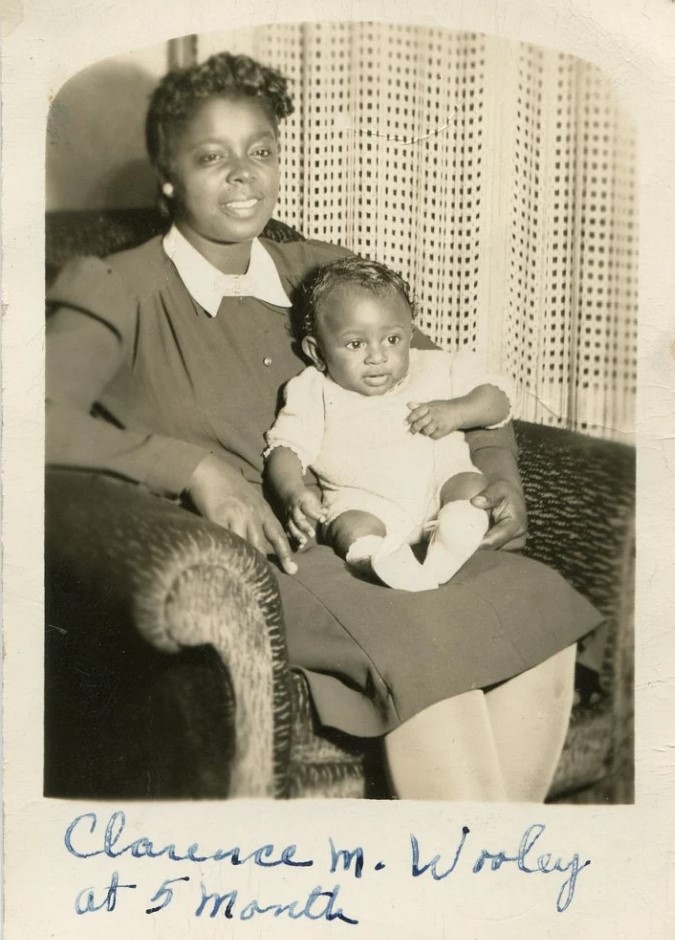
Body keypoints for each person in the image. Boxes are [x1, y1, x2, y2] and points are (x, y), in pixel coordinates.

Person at [46, 51, 601, 801]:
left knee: (534, 599)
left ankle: (480, 882)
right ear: (166, 173)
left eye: (262, 152)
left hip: (399, 526)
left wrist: (498, 473)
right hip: (274, 556)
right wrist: (192, 469)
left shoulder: (325, 274)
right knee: (420, 641)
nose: (244, 175)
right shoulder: (117, 287)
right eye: (212, 156)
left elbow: (449, 382)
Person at [265, 256, 514, 593]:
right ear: (317, 352)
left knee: (469, 486)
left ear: (410, 332)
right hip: (366, 502)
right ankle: (378, 559)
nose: (377, 356)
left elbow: (498, 400)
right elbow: (285, 447)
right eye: (355, 344)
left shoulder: (438, 366)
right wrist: (292, 490)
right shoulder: (314, 390)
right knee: (347, 524)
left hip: (440, 491)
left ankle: (455, 536)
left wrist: (458, 411)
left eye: (392, 340)